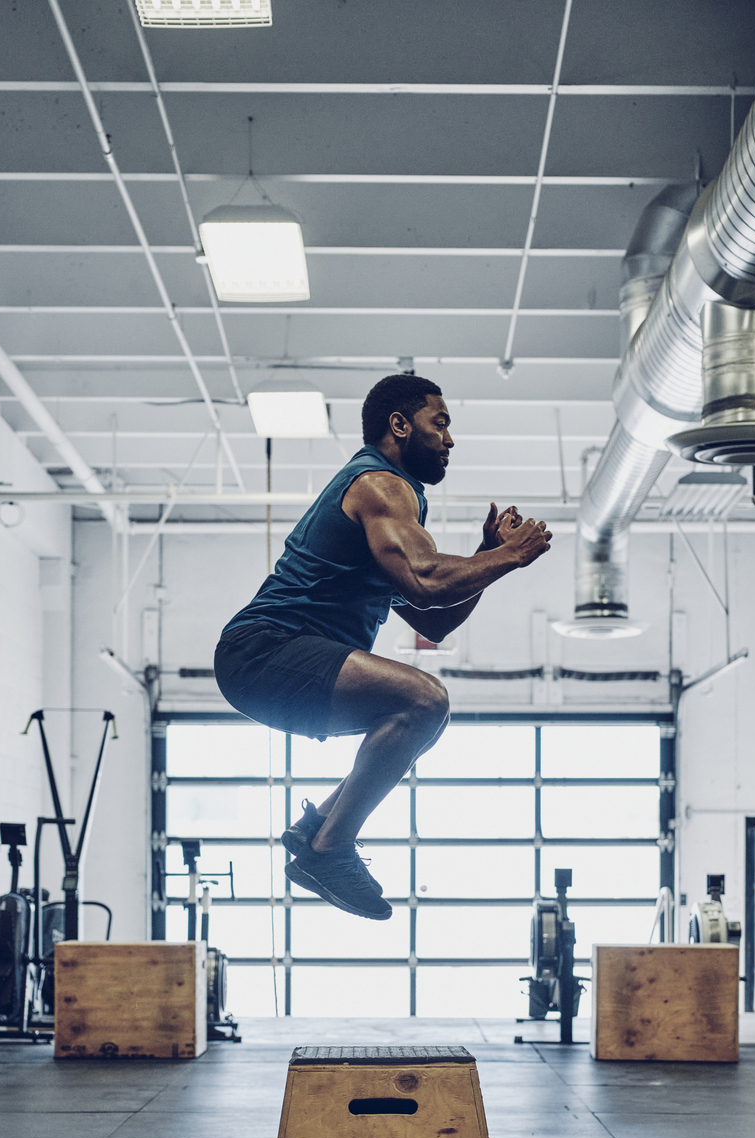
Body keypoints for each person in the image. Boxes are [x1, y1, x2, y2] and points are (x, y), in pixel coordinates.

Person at [214, 374, 552, 920]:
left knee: (414, 723)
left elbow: (431, 618)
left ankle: (316, 831)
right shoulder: (380, 485)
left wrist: (489, 555)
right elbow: (426, 578)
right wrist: (508, 555)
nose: (449, 439)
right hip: (263, 651)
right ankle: (329, 848)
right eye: (439, 423)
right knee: (425, 701)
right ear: (399, 424)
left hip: (273, 666)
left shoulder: (397, 502)